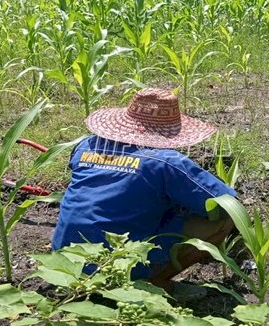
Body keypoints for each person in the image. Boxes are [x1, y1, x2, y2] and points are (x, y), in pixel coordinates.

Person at [52, 88, 235, 297]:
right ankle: (155, 282)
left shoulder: (85, 146)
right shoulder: (166, 162)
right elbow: (224, 203)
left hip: (63, 263)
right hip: (117, 266)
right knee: (223, 222)